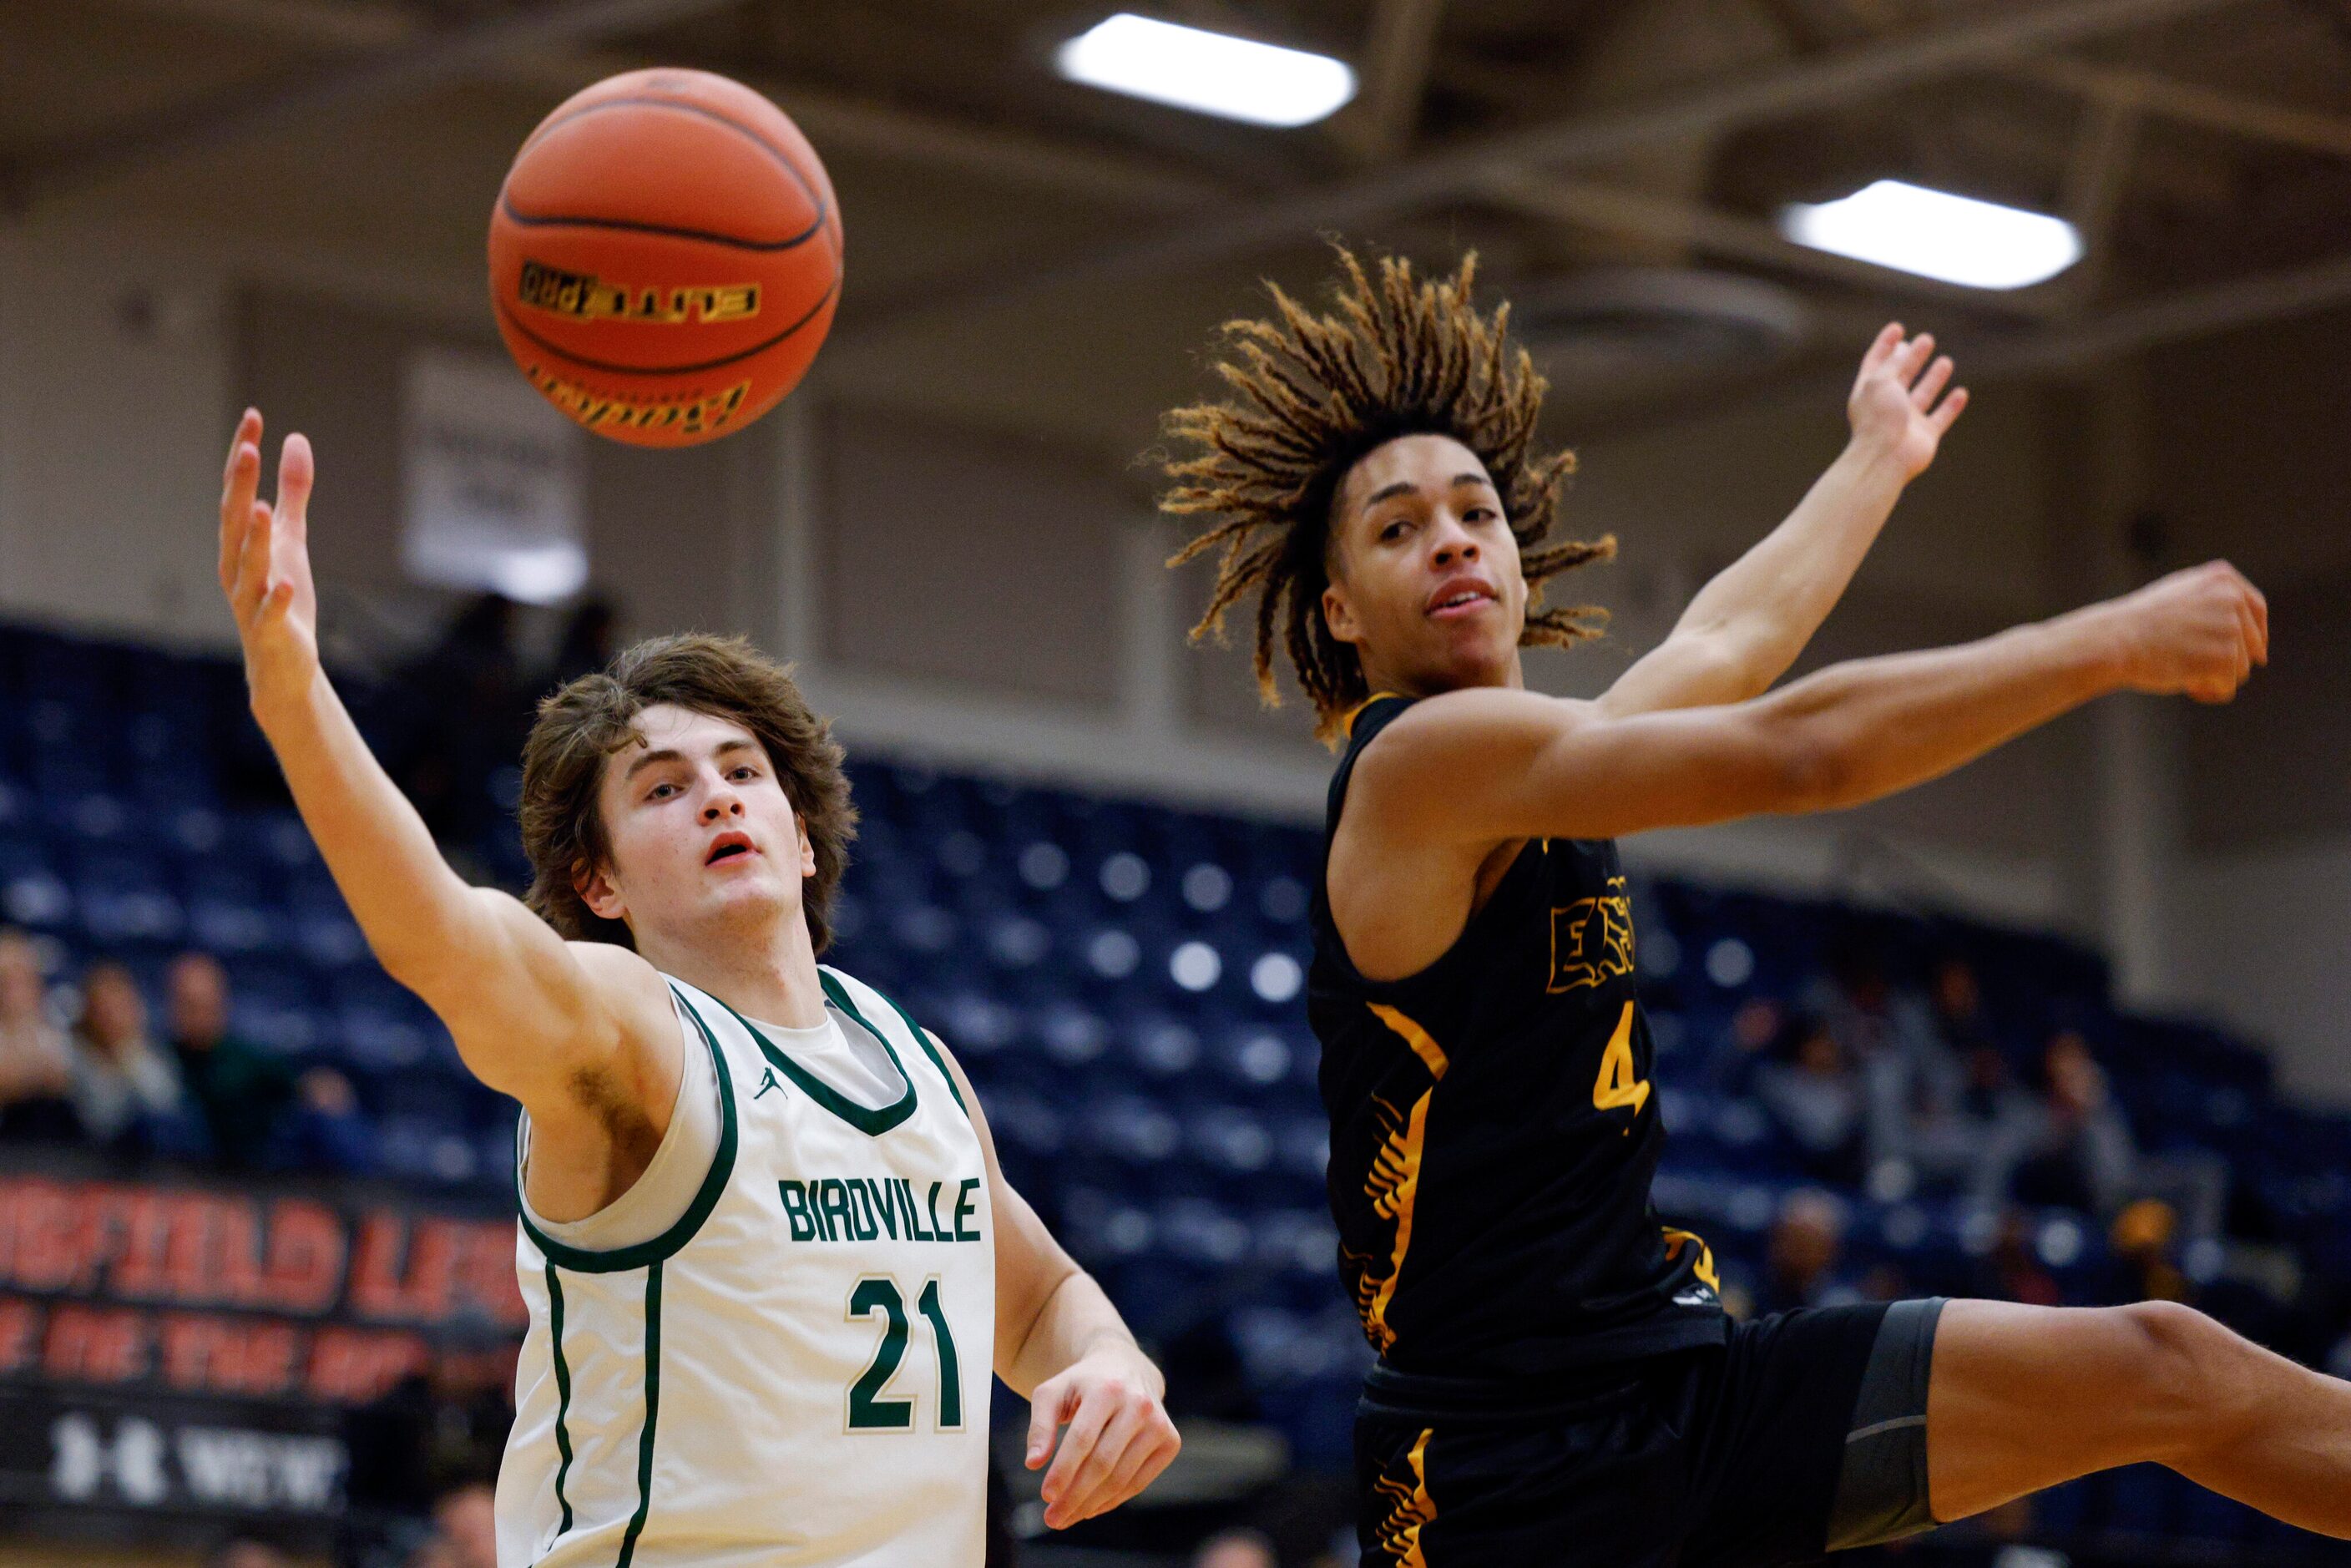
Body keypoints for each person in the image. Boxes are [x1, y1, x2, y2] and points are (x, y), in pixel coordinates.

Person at [1160, 248, 2338, 1564]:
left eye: (1476, 512)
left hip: (1686, 1388)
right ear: (1340, 613)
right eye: (1396, 527)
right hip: (1504, 1474)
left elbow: (1726, 643)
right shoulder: (1410, 773)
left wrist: (1873, 461)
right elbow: (1802, 754)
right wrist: (2103, 642)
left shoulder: (1561, 755)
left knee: (2170, 1359)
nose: (1450, 537)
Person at [216, 411, 1179, 1568]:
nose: (718, 797)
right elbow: (442, 937)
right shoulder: (634, 1031)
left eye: (742, 772)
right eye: (663, 788)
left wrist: (1114, 1359)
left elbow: (1031, 1304)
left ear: (805, 835)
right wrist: (297, 700)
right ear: (600, 880)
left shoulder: (914, 1060)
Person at [67, 962, 191, 1154]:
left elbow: (165, 1104)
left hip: (150, 1162)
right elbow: (100, 1120)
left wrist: (128, 1053)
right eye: (105, 1010)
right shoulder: (72, 1054)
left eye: (120, 1007)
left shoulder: (150, 1051)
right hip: (90, 1157)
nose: (113, 1018)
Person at [0, 928, 78, 1141]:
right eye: (5, 981)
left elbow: (64, 1079)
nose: (12, 992)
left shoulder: (53, 1034)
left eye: (21, 980)